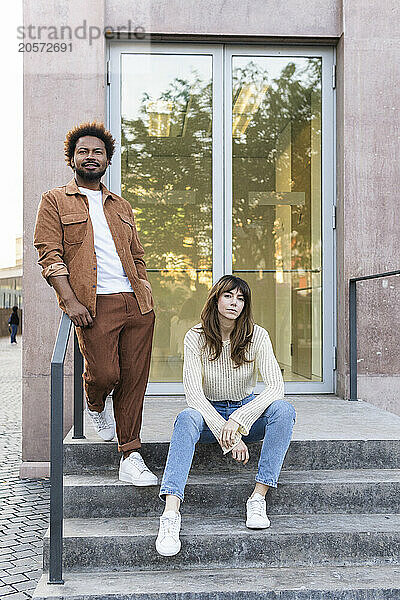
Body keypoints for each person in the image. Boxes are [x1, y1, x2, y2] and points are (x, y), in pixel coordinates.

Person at [34, 121, 157, 486]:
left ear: (108, 160)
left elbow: (136, 253)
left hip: (136, 303)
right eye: (83, 151)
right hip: (93, 303)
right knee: (105, 374)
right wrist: (69, 300)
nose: (91, 157)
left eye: (97, 152)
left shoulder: (121, 204)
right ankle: (95, 403)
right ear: (71, 159)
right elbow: (49, 254)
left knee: (134, 380)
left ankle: (130, 454)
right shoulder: (54, 200)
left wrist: (144, 287)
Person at [156, 275, 296, 556]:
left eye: (240, 298)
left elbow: (275, 387)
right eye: (228, 296)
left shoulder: (257, 336)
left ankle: (258, 497)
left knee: (284, 410)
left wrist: (239, 422)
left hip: (245, 410)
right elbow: (194, 396)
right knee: (186, 418)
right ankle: (170, 514)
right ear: (216, 299)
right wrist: (228, 434)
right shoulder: (195, 337)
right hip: (210, 414)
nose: (234, 303)